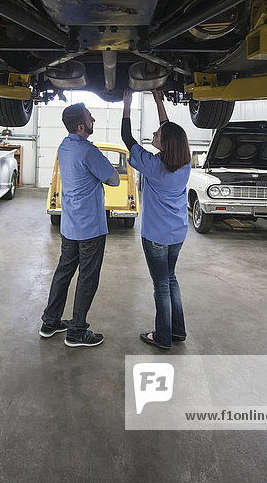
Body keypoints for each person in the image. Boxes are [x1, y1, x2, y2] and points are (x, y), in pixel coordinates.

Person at [40, 102, 120, 348]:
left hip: (70, 226)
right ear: (82, 126)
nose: (94, 119)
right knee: (87, 277)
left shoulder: (64, 147)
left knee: (64, 271)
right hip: (91, 230)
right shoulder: (88, 151)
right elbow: (115, 180)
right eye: (90, 117)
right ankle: (76, 331)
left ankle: (50, 322)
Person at [121, 89, 191, 349]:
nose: (154, 133)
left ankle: (162, 337)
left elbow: (126, 137)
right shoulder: (185, 163)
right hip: (177, 235)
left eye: (157, 135)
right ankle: (178, 331)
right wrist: (158, 100)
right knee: (171, 279)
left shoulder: (153, 165)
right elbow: (168, 128)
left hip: (157, 238)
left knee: (161, 285)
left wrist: (127, 104)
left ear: (166, 144)